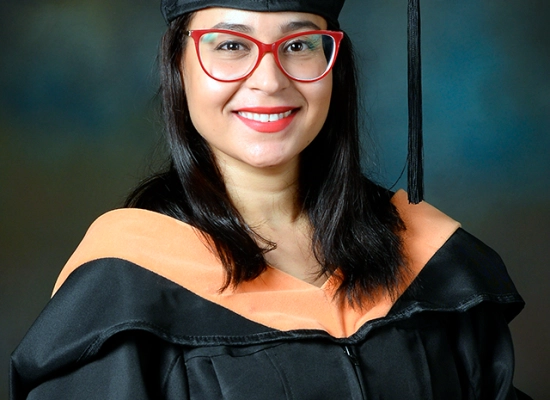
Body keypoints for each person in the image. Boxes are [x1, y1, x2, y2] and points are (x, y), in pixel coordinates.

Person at [10, 0, 531, 399]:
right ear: (178, 63)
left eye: (299, 45)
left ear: (334, 63)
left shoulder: (426, 257)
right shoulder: (125, 283)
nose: (269, 80)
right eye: (229, 46)